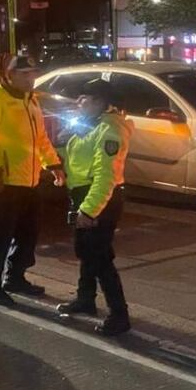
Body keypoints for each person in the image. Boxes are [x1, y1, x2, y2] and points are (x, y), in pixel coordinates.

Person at [0, 55, 64, 306]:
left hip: (28, 180)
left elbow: (40, 138)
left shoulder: (30, 101)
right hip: (2, 182)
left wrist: (53, 165)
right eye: (25, 74)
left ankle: (15, 278)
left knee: (27, 234)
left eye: (33, 73)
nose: (31, 78)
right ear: (10, 75)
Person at [56, 79, 133, 336]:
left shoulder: (110, 130)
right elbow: (77, 160)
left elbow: (105, 176)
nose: (78, 102)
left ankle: (119, 315)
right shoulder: (90, 125)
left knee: (100, 258)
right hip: (83, 195)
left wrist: (89, 210)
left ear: (100, 102)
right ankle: (85, 299)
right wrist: (64, 141)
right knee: (86, 251)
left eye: (84, 98)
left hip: (100, 199)